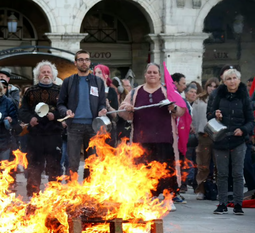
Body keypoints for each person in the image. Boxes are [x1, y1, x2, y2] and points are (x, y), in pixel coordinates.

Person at [119, 63, 186, 211]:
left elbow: (181, 110)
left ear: (160, 75)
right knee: (144, 169)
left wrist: (173, 108)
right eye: (149, 72)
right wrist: (127, 109)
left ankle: (168, 199)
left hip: (164, 138)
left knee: (167, 170)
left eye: (155, 72)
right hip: (141, 139)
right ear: (145, 75)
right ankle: (149, 197)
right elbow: (122, 110)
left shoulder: (167, 91)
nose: (152, 75)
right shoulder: (135, 92)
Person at [209, 69, 254, 215]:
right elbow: (209, 115)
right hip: (221, 139)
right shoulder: (218, 95)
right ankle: (222, 203)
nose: (232, 81)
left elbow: (250, 121)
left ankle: (238, 204)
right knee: (222, 173)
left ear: (239, 80)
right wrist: (216, 115)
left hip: (238, 140)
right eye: (229, 79)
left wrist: (243, 130)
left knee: (237, 173)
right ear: (224, 81)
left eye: (235, 78)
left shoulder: (244, 97)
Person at [57, 49, 107, 178]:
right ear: (75, 63)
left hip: (93, 126)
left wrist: (102, 109)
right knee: (72, 162)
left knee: (92, 162)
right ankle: (73, 192)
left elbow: (102, 102)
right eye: (80, 60)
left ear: (90, 62)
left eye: (86, 59)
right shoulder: (68, 82)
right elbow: (60, 104)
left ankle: (88, 191)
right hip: (74, 126)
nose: (84, 62)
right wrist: (65, 111)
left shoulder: (98, 82)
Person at [19, 61, 63, 197]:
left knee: (54, 166)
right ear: (38, 75)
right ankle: (33, 194)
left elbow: (65, 110)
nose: (46, 74)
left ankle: (54, 195)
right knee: (34, 165)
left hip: (54, 134)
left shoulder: (60, 91)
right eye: (43, 72)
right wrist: (30, 119)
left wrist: (54, 116)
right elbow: (22, 111)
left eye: (48, 72)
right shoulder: (30, 92)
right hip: (35, 135)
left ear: (53, 75)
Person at [192, 77, 219, 200]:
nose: (212, 88)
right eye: (210, 86)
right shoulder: (200, 100)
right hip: (204, 135)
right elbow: (195, 118)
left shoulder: (220, 99)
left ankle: (218, 190)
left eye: (215, 86)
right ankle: (200, 189)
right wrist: (198, 131)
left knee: (219, 165)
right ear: (206, 86)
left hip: (218, 136)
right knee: (203, 165)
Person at [93, 64, 118, 146]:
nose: (96, 75)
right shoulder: (91, 90)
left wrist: (108, 106)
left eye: (99, 72)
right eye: (95, 73)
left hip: (108, 129)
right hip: (94, 128)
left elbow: (115, 114)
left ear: (106, 75)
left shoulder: (112, 91)